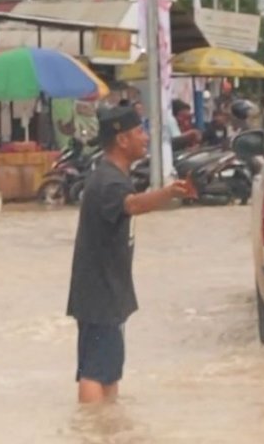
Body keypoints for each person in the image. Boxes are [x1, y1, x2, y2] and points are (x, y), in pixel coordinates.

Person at [66, 105, 193, 403]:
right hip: (100, 292)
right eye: (140, 132)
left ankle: (104, 428)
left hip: (107, 290)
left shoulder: (112, 176)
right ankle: (92, 430)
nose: (146, 138)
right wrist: (169, 193)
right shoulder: (108, 181)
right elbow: (132, 205)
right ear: (122, 140)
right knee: (96, 372)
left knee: (108, 370)